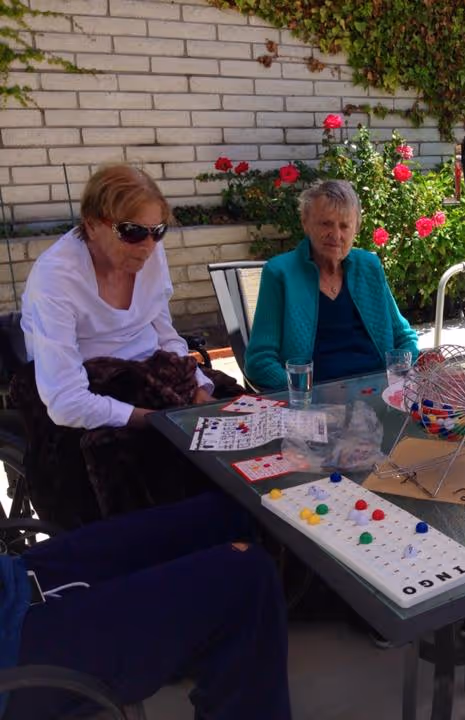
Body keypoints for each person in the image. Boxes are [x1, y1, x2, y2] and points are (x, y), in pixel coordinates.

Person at [16, 164, 242, 528]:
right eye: (132, 231)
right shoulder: (56, 278)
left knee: (240, 416)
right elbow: (65, 402)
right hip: (91, 381)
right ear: (91, 225)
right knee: (146, 464)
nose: (148, 245)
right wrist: (155, 420)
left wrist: (198, 386)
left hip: (154, 374)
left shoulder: (149, 253)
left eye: (158, 231)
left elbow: (164, 331)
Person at [1, 492, 291, 720]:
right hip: (15, 657)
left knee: (222, 512)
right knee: (245, 575)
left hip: (15, 578)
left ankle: (222, 649)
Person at [245, 180, 419, 390]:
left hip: (377, 393)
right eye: (326, 223)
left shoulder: (369, 267)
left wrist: (396, 380)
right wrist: (302, 393)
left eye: (344, 226)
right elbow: (259, 361)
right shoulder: (280, 273)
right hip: (314, 402)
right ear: (305, 223)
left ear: (356, 229)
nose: (336, 235)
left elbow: (404, 337)